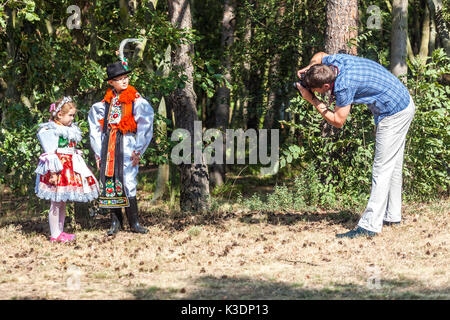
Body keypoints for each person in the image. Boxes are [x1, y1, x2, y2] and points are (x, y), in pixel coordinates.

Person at [296, 52, 415, 239]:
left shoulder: (344, 86)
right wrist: (308, 68)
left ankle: (369, 226)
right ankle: (392, 216)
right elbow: (319, 55)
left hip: (395, 112)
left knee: (381, 168)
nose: (316, 93)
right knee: (393, 165)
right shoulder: (335, 64)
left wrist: (312, 100)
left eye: (317, 90)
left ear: (326, 86)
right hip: (402, 101)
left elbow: (337, 120)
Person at [88, 61, 154, 235]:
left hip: (127, 143)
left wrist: (139, 149)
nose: (124, 81)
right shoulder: (104, 103)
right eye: (119, 79)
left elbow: (145, 124)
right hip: (109, 145)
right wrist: (98, 151)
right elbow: (95, 127)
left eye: (126, 77)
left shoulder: (136, 100)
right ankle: (115, 223)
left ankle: (134, 222)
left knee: (128, 180)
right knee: (110, 179)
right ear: (111, 82)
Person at [35, 97, 100, 243]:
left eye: (73, 115)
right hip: (58, 168)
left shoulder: (70, 129)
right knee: (55, 202)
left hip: (69, 166)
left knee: (62, 201)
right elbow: (51, 154)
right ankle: (54, 234)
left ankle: (60, 232)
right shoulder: (50, 130)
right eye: (70, 115)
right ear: (59, 115)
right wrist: (52, 173)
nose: (72, 118)